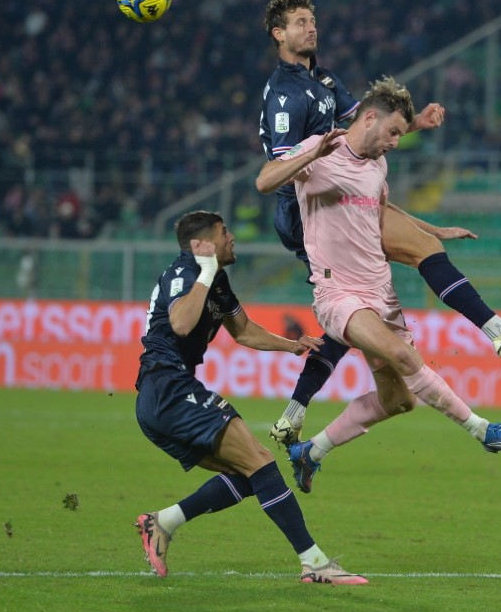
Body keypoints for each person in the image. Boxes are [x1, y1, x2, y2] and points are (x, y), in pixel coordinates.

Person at [257, 0, 501, 448]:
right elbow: (275, 172)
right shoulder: (284, 93)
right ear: (278, 34)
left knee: (388, 366)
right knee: (353, 296)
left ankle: (300, 422)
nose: (311, 26)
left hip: (345, 188)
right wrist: (317, 152)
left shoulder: (326, 81)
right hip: (307, 205)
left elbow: (370, 125)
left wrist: (412, 124)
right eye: (299, 21)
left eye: (312, 18)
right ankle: (496, 344)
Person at [256, 77, 501, 493]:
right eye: (394, 132)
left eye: (401, 135)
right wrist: (311, 152)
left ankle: (310, 452)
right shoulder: (320, 150)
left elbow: (380, 212)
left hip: (380, 293)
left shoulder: (377, 166)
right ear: (369, 118)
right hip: (338, 294)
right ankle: (484, 431)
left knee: (401, 400)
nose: (396, 143)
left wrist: (431, 229)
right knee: (403, 357)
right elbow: (264, 181)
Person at [133, 210, 366, 585]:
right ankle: (315, 563)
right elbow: (180, 323)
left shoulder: (217, 281)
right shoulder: (184, 273)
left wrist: (291, 346)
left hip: (166, 395)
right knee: (260, 463)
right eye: (224, 232)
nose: (232, 237)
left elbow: (242, 331)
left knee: (248, 473)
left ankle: (163, 522)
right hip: (167, 389)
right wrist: (206, 272)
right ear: (201, 245)